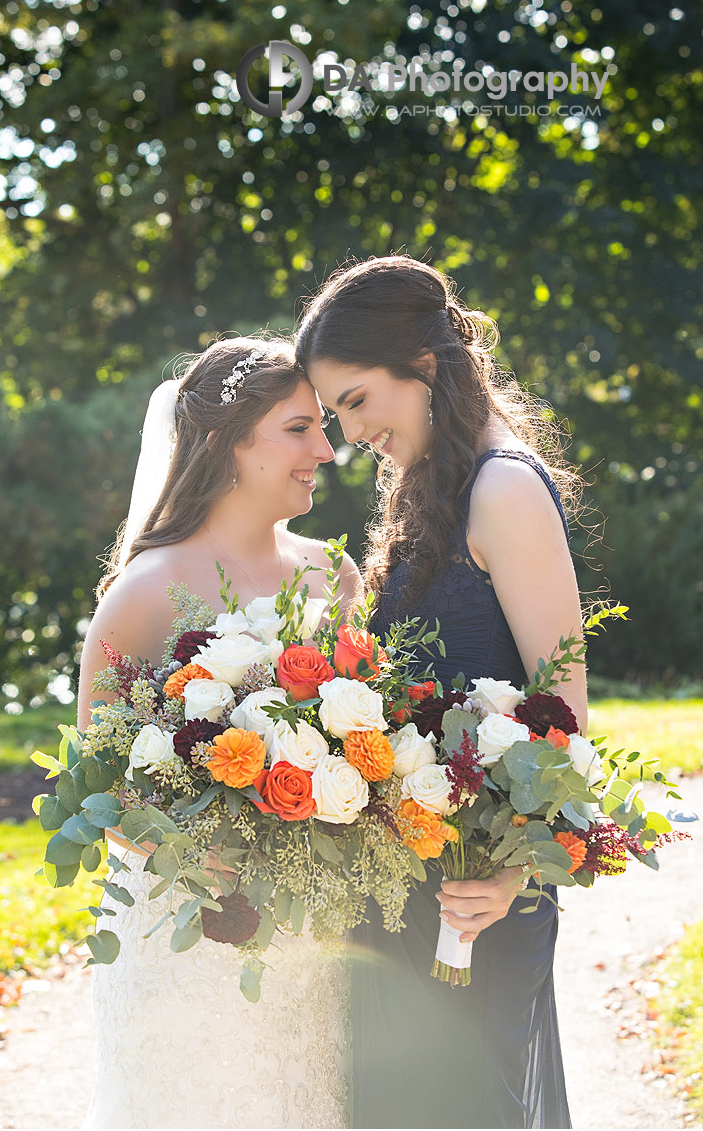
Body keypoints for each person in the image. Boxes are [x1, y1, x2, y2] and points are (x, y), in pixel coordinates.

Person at [295, 255, 586, 1130]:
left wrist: (505, 875)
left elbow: (563, 710)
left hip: (478, 896)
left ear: (422, 365)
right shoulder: (428, 488)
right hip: (408, 886)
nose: (348, 436)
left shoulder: (500, 486)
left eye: (354, 401)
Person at [78, 336, 362, 1130]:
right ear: (227, 442)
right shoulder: (145, 591)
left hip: (315, 931)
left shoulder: (333, 576)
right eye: (299, 430)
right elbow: (99, 783)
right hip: (187, 930)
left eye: (323, 427)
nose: (326, 451)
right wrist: (198, 858)